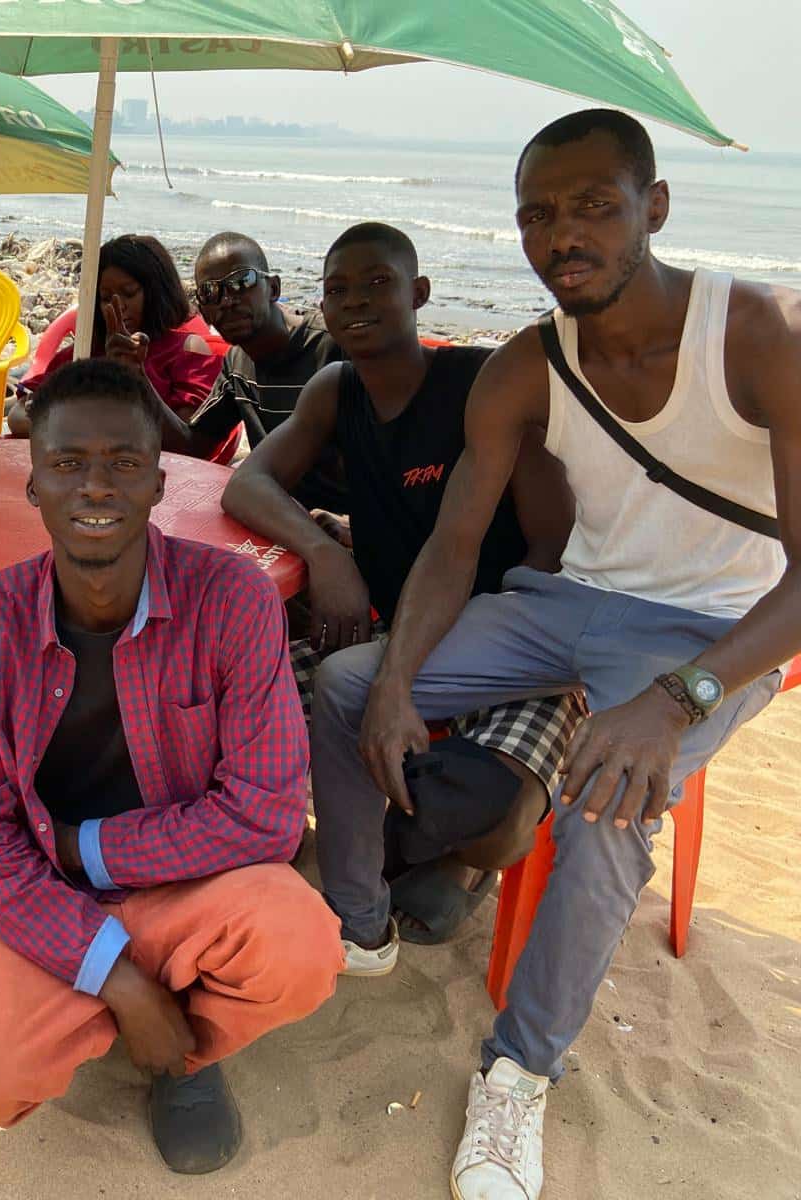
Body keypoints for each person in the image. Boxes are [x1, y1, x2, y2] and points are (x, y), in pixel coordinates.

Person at [317, 111, 800, 1200]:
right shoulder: (524, 368)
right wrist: (396, 681)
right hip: (567, 600)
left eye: (592, 206)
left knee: (608, 795)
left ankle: (520, 1069)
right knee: (346, 683)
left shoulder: (763, 335)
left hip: (712, 631)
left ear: (654, 207)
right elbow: (454, 544)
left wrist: (676, 701)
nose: (561, 237)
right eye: (537, 214)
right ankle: (358, 925)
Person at [0, 358, 343, 1174]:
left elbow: (267, 816)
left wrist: (86, 847)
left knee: (301, 945)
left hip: (189, 883)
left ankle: (184, 1056)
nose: (95, 486)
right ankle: (137, 1009)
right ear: (32, 483)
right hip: (48, 890)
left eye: (123, 462)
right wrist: (118, 979)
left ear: (159, 482)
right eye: (67, 463)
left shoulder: (235, 599)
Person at [222, 221, 583, 946]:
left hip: (511, 639)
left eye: (377, 283)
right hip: (394, 628)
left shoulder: (480, 384)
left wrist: (483, 643)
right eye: (337, 289)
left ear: (419, 293)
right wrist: (328, 556)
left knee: (487, 811)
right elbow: (247, 483)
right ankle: (393, 845)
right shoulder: (337, 390)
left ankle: (457, 860)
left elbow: (553, 541)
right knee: (238, 707)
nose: (355, 300)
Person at [9, 235, 224, 454]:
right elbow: (18, 416)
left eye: (129, 293)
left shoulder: (187, 351)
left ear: (157, 292)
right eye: (105, 297)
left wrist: (135, 378)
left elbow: (188, 443)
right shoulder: (82, 353)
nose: (117, 305)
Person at [191, 232, 346, 510]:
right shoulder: (237, 364)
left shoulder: (332, 347)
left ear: (273, 288)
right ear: (203, 310)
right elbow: (194, 444)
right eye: (210, 292)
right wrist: (136, 375)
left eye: (241, 282)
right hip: (282, 514)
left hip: (346, 518)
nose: (226, 301)